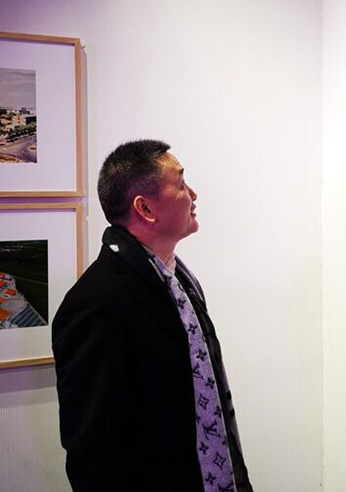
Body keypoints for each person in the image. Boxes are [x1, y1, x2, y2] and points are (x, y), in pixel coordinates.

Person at [53, 139, 254, 492]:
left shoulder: (178, 279)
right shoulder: (97, 301)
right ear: (145, 208)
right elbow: (92, 451)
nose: (193, 194)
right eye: (181, 184)